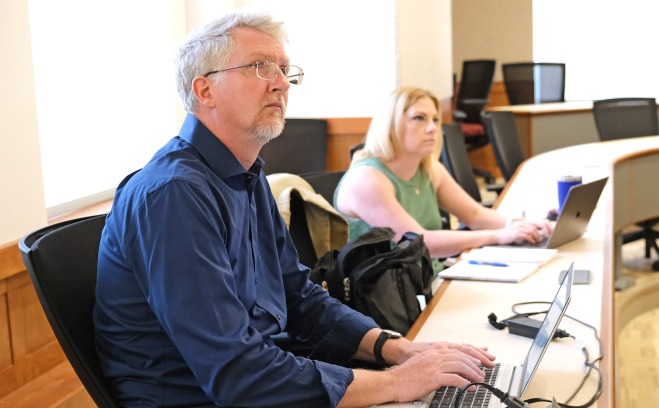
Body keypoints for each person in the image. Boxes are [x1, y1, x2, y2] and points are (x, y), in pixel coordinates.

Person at [93, 11, 495, 407]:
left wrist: (398, 351)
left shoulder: (246, 175)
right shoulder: (174, 194)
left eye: (285, 70)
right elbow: (237, 375)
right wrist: (396, 384)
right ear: (205, 91)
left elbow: (298, 296)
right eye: (261, 67)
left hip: (260, 378)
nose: (282, 84)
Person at [335, 86, 552, 274]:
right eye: (419, 118)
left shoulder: (429, 169)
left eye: (435, 120)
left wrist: (517, 225)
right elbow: (421, 243)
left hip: (424, 281)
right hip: (383, 299)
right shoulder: (366, 179)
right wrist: (499, 235)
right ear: (391, 124)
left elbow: (474, 215)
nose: (432, 128)